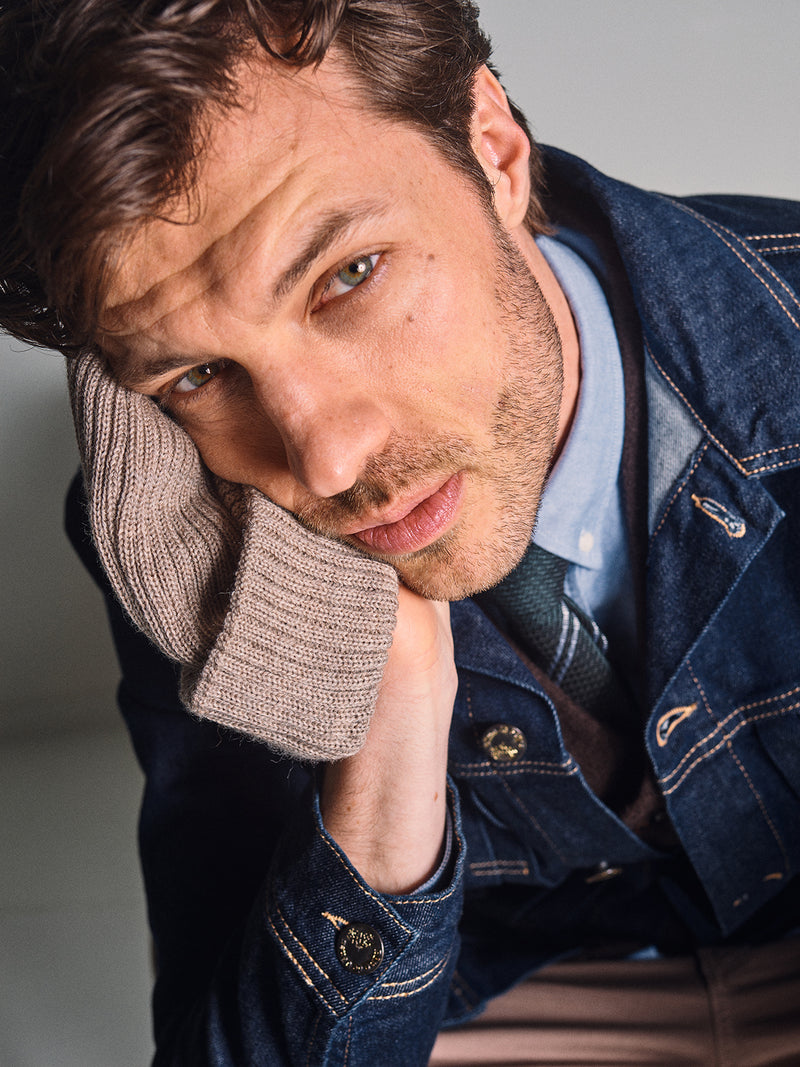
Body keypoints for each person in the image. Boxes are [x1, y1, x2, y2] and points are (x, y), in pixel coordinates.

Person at [1, 1, 799, 1064]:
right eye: (197, 373)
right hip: (507, 988)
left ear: (493, 150)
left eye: (347, 276)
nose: (324, 461)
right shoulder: (181, 529)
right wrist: (384, 748)